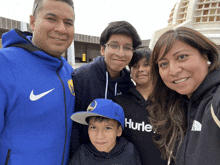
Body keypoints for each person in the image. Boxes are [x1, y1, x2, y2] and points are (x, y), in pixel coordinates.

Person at [0, 0, 75, 164]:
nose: (61, 29)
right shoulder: (4, 64)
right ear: (33, 22)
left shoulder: (68, 71)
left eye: (68, 22)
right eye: (51, 19)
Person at [147, 26, 220, 165]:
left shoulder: (216, 101)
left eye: (182, 57)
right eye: (163, 64)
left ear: (206, 55)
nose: (173, 71)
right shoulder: (180, 105)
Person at [70, 21, 142, 154]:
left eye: (127, 48)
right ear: (102, 49)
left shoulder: (129, 85)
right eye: (114, 46)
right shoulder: (80, 77)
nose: (121, 53)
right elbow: (72, 124)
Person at [113, 47, 167, 165]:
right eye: (135, 66)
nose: (140, 69)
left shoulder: (169, 101)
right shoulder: (120, 101)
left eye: (146, 65)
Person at [69, 98, 142, 165]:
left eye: (107, 128)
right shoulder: (82, 153)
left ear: (119, 131)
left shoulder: (129, 152)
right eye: (93, 127)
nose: (99, 136)